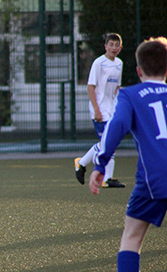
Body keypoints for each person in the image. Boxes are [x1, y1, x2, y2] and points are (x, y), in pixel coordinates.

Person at [89, 37, 167, 271]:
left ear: (138, 70)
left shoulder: (131, 95)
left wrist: (100, 164)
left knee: (132, 237)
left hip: (153, 179)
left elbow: (116, 127)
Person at [74, 33, 125, 188]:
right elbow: (91, 88)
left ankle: (92, 170)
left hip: (111, 109)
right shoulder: (99, 63)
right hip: (100, 109)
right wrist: (96, 110)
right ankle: (83, 164)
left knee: (110, 142)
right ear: (105, 46)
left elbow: (117, 88)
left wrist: (119, 106)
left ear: (120, 48)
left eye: (117, 45)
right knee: (107, 142)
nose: (114, 48)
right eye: (111, 44)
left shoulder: (119, 64)